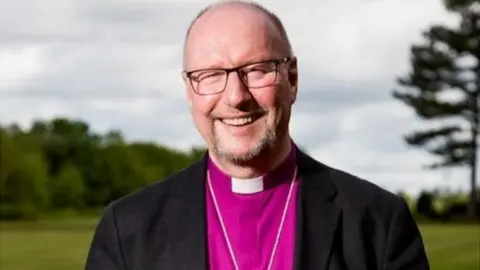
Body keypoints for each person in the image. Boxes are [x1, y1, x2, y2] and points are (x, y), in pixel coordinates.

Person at [85, 1, 430, 269]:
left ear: (292, 78)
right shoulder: (127, 230)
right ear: (190, 91)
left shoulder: (378, 223)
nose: (236, 97)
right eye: (210, 75)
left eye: (256, 70)